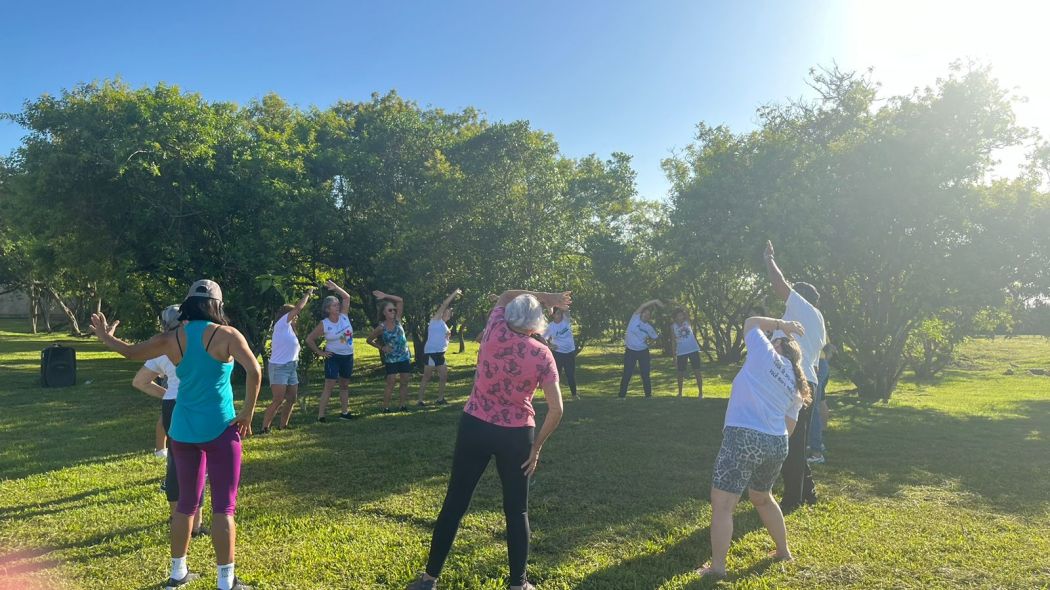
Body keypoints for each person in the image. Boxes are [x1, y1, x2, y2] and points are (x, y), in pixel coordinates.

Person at [91, 279, 259, 590]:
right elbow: (254, 370)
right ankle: (226, 582)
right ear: (218, 305)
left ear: (188, 305)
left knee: (185, 505)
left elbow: (130, 352)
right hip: (220, 428)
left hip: (181, 431)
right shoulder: (227, 335)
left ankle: (177, 573)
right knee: (224, 508)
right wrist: (247, 412)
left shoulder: (172, 338)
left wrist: (105, 337)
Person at [407, 290, 569, 590]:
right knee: (517, 510)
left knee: (455, 502)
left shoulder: (494, 328)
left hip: (475, 426)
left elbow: (505, 295)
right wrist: (536, 448)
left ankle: (429, 579)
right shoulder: (541, 354)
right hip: (516, 435)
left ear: (509, 315)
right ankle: (518, 585)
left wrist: (544, 295)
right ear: (537, 321)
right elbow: (557, 409)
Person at [698, 316, 811, 580]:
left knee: (723, 505)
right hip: (777, 443)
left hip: (744, 437)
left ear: (778, 346)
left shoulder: (765, 354)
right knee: (762, 497)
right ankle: (783, 551)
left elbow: (750, 323)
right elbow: (789, 428)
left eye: (774, 339)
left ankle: (717, 568)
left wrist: (782, 325)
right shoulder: (796, 384)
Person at [131, 304, 206, 538]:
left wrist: (168, 395)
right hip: (198, 404)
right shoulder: (200, 341)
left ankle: (176, 517)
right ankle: (196, 524)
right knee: (199, 462)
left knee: (175, 462)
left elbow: (139, 382)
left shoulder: (162, 348)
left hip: (172, 405)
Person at [763, 240, 827, 512]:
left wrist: (769, 258)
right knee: (795, 440)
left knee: (790, 441)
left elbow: (779, 284)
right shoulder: (817, 319)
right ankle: (807, 492)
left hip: (794, 382)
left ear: (800, 298)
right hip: (804, 380)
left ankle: (792, 500)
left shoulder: (804, 309)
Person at [260, 287, 314, 434]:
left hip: (291, 367)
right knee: (278, 399)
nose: (296, 317)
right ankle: (265, 427)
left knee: (291, 398)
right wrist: (307, 294)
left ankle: (283, 425)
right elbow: (298, 308)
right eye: (294, 315)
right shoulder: (281, 324)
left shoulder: (289, 329)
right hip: (279, 367)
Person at [305, 280, 355, 423]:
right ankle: (321, 416)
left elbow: (347, 297)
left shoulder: (344, 316)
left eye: (338, 304)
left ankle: (344, 413)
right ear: (327, 309)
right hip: (333, 357)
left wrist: (336, 288)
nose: (338, 306)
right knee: (329, 385)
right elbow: (309, 339)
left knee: (344, 385)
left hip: (348, 356)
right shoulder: (324, 324)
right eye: (334, 305)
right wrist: (320, 353)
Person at [368, 290, 411, 412]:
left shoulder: (398, 320)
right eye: (390, 310)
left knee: (404, 382)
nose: (393, 311)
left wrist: (385, 296)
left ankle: (402, 405)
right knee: (391, 382)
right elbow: (369, 340)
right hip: (391, 359)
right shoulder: (381, 327)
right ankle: (385, 407)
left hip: (404, 356)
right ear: (384, 313)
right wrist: (382, 348)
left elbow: (400, 300)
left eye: (394, 310)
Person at [417, 288, 462, 407]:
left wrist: (448, 336)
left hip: (440, 353)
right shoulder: (435, 320)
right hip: (431, 353)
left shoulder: (444, 325)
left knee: (443, 376)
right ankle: (420, 400)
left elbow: (444, 338)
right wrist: (455, 293)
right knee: (427, 376)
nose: (449, 312)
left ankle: (440, 399)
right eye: (447, 311)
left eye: (450, 312)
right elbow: (445, 303)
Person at [618, 299, 664, 399]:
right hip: (630, 351)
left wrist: (649, 344)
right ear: (641, 313)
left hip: (643, 352)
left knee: (645, 374)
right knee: (627, 373)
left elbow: (656, 338)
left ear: (650, 317)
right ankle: (621, 396)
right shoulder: (635, 319)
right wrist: (655, 301)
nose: (646, 315)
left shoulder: (649, 328)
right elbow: (643, 305)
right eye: (645, 313)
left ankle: (648, 395)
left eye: (649, 314)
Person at [542, 306, 579, 400]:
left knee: (570, 374)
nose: (560, 315)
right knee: (556, 375)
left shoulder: (566, 320)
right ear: (553, 315)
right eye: (558, 313)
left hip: (570, 352)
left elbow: (566, 310)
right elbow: (542, 338)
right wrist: (550, 345)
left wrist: (559, 303)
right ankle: (556, 396)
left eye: (560, 313)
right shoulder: (551, 326)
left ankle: (574, 395)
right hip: (558, 353)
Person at [807, 344, 834, 464]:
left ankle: (816, 452)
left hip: (815, 365)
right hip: (819, 364)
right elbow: (829, 348)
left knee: (813, 409)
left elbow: (828, 347)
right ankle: (814, 443)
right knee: (816, 405)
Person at [670, 307, 704, 398]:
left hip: (693, 350)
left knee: (697, 371)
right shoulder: (673, 326)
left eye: (682, 315)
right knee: (680, 373)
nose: (681, 317)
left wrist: (676, 303)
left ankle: (700, 393)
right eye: (679, 315)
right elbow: (673, 341)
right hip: (681, 352)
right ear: (675, 317)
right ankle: (680, 393)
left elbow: (686, 309)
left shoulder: (687, 322)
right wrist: (674, 356)